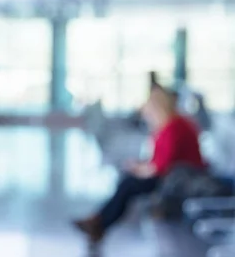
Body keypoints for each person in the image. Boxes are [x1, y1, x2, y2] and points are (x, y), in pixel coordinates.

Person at [73, 86, 204, 244]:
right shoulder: (170, 124)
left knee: (128, 184)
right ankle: (99, 221)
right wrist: (140, 166)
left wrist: (140, 169)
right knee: (127, 181)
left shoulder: (174, 127)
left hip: (182, 179)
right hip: (174, 175)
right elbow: (160, 160)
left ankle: (99, 222)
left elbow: (162, 167)